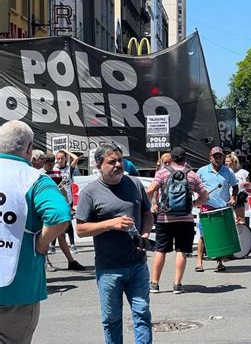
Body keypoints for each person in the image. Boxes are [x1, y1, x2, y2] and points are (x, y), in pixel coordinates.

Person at [0, 121, 71, 344]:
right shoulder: (34, 179)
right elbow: (60, 215)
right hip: (16, 289)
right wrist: (42, 243)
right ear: (30, 148)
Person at [75, 143, 154, 344]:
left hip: (137, 265)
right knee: (111, 320)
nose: (118, 165)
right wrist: (111, 224)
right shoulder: (90, 192)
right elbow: (81, 229)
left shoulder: (134, 184)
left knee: (142, 314)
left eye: (120, 160)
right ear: (99, 165)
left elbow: (147, 213)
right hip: (109, 269)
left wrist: (144, 234)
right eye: (112, 162)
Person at [146, 147, 208, 294]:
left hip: (164, 218)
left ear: (171, 159)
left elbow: (150, 190)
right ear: (185, 159)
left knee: (160, 250)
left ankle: (154, 284)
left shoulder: (162, 173)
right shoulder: (192, 175)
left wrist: (155, 205)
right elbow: (205, 197)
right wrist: (192, 204)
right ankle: (177, 284)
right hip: (185, 219)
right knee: (181, 251)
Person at [195, 146, 239, 272]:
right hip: (207, 206)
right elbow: (194, 185)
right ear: (210, 158)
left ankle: (220, 262)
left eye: (220, 156)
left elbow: (235, 186)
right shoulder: (202, 171)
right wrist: (199, 197)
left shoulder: (228, 171)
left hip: (223, 207)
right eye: (215, 156)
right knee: (204, 235)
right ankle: (199, 262)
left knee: (220, 235)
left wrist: (233, 197)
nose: (218, 159)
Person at [40, 153, 85, 271]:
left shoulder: (57, 173)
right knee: (44, 235)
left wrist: (67, 207)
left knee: (61, 234)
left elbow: (64, 190)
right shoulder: (39, 174)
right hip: (43, 207)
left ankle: (71, 262)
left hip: (56, 207)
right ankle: (47, 262)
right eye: (48, 164)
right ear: (43, 163)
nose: (50, 166)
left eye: (52, 164)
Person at [54, 149, 79, 254]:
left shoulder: (69, 169)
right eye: (58, 158)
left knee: (68, 222)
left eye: (62, 158)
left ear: (65, 159)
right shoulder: (54, 169)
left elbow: (76, 158)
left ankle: (72, 245)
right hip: (57, 199)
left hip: (68, 200)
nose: (60, 160)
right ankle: (52, 245)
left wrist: (65, 151)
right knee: (55, 221)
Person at [225, 152, 251, 224]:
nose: (226, 163)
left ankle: (242, 234)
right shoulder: (224, 173)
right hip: (227, 199)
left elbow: (249, 185)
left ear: (234, 162)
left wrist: (246, 183)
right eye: (225, 161)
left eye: (228, 161)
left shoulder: (243, 172)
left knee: (240, 220)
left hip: (239, 199)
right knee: (229, 221)